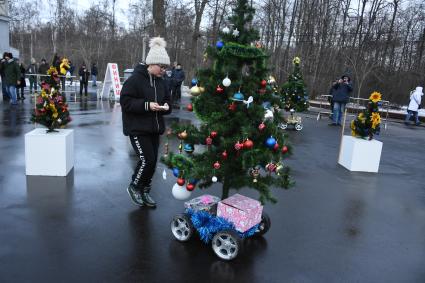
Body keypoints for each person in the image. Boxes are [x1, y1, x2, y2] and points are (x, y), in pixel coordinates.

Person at [120, 37, 172, 208]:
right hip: (137, 128)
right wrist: (147, 105)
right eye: (161, 67)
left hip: (154, 129)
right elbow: (125, 102)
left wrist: (165, 107)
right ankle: (135, 186)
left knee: (153, 161)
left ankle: (145, 190)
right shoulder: (135, 79)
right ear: (151, 63)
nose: (164, 71)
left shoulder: (161, 82)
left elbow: (168, 103)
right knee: (146, 159)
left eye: (165, 67)